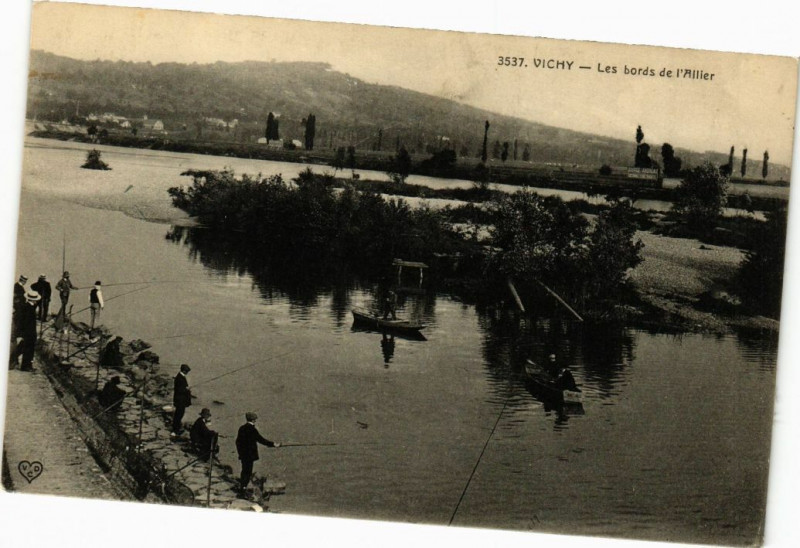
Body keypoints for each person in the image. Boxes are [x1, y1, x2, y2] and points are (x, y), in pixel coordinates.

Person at [235, 412, 280, 496]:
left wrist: (240, 452)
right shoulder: (252, 429)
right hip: (250, 455)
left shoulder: (241, 428)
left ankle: (242, 487)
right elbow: (261, 439)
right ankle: (243, 490)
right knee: (248, 472)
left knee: (244, 470)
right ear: (254, 420)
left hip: (243, 455)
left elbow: (237, 442)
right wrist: (273, 444)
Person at [9, 290, 40, 372]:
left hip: (29, 332)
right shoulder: (29, 308)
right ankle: (25, 366)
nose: (37, 300)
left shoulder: (28, 306)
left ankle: (13, 361)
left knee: (23, 348)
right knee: (28, 349)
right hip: (29, 333)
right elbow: (25, 322)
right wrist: (22, 334)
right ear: (33, 300)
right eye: (36, 299)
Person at [171, 363, 192, 436]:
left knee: (179, 414)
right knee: (179, 414)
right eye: (187, 371)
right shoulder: (180, 378)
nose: (187, 372)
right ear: (184, 371)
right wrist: (186, 389)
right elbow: (179, 390)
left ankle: (176, 428)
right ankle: (175, 430)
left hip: (179, 400)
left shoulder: (180, 376)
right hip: (180, 401)